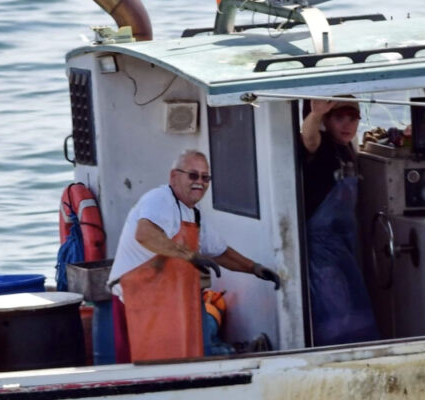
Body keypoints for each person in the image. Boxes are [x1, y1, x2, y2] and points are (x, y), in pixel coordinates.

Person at [107, 149, 280, 363]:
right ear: (174, 176)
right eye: (193, 175)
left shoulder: (195, 213)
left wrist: (254, 268)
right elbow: (145, 234)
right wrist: (189, 256)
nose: (200, 182)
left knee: (180, 367)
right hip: (136, 305)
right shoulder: (159, 199)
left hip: (170, 306)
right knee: (146, 375)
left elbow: (220, 252)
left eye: (205, 177)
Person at [300, 97, 379, 346]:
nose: (347, 125)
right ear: (326, 121)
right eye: (338, 118)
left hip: (345, 247)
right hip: (321, 253)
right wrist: (314, 115)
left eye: (352, 118)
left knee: (357, 313)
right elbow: (308, 138)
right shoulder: (321, 148)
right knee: (336, 316)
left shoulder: (348, 149)